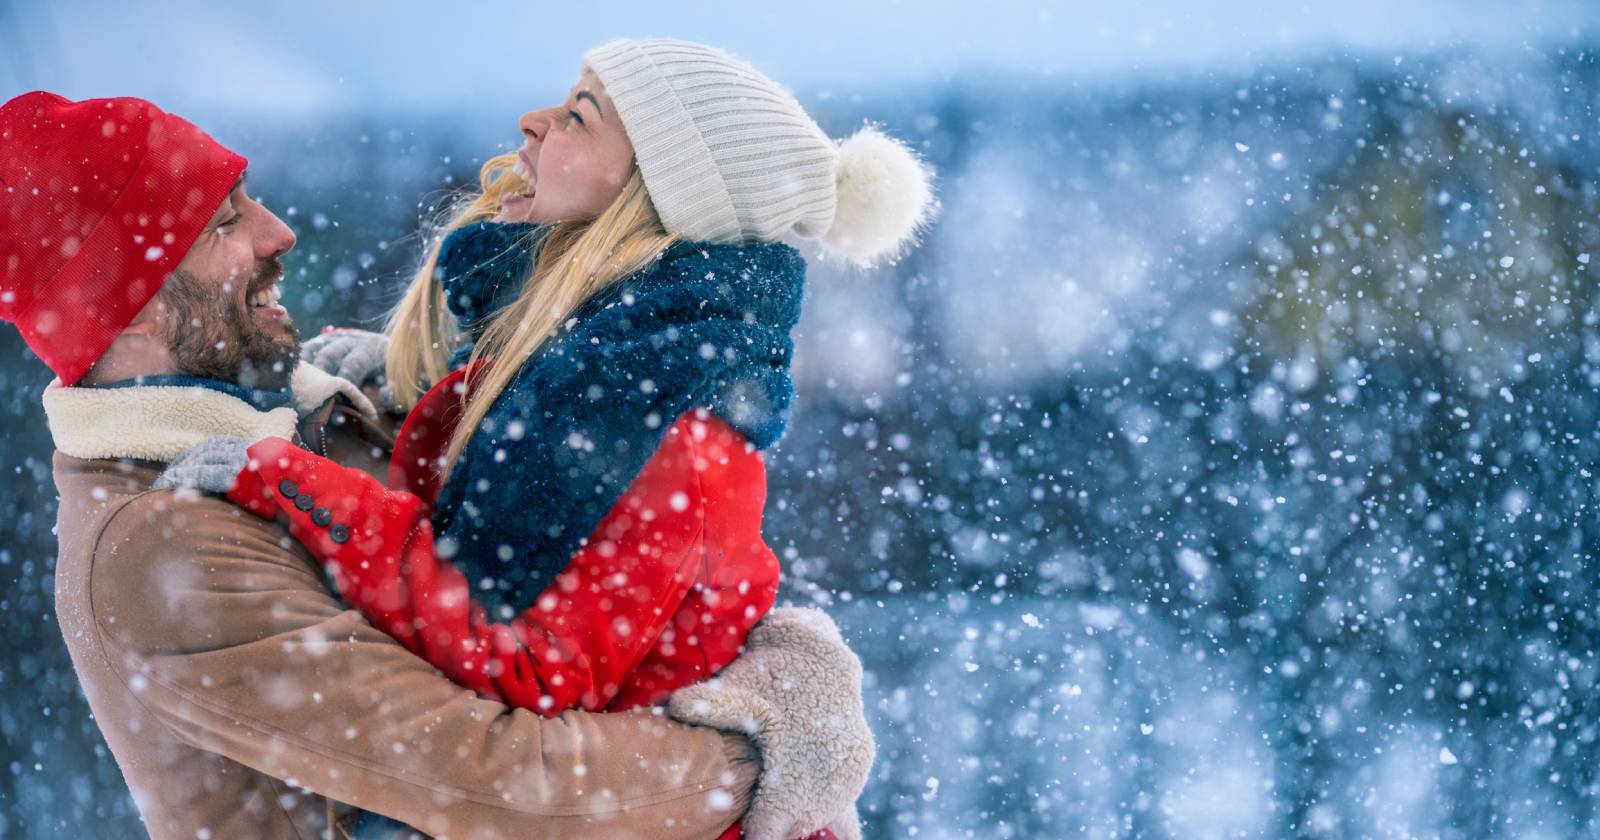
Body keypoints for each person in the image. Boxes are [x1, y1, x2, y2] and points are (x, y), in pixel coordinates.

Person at [0, 90, 873, 840]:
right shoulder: (158, 544)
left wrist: (746, 642)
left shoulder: (318, 414)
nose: (280, 231)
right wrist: (759, 750)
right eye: (225, 222)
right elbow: (519, 788)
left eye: (250, 199)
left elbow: (593, 568)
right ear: (135, 303)